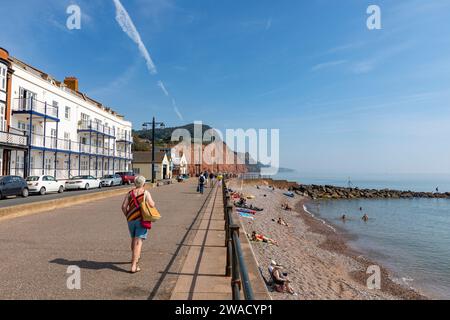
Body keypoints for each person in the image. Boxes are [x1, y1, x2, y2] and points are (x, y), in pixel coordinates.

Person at [121, 176, 155, 273]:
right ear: (143, 184)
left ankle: (134, 259)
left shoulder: (130, 193)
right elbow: (152, 204)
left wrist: (128, 216)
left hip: (131, 220)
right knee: (138, 241)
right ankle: (134, 266)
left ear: (135, 183)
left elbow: (123, 207)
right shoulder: (145, 193)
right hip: (141, 219)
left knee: (133, 239)